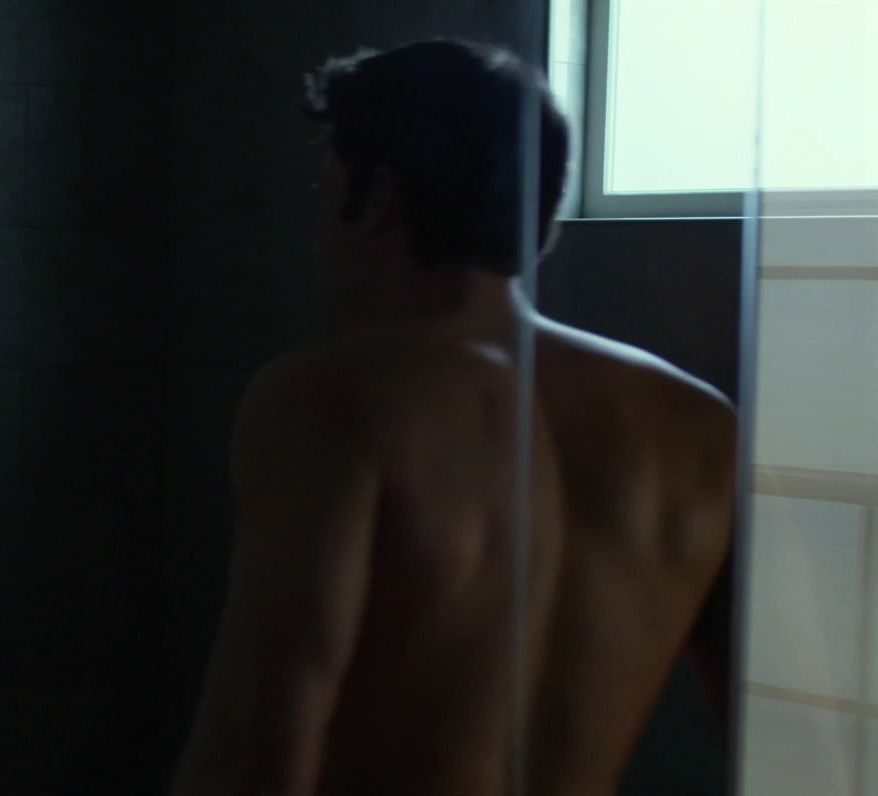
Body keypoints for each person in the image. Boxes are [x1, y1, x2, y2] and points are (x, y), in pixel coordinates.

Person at [170, 40, 736, 794]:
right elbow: (786, 732)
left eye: (323, 187)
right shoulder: (699, 426)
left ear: (377, 197)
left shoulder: (333, 398)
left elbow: (255, 747)